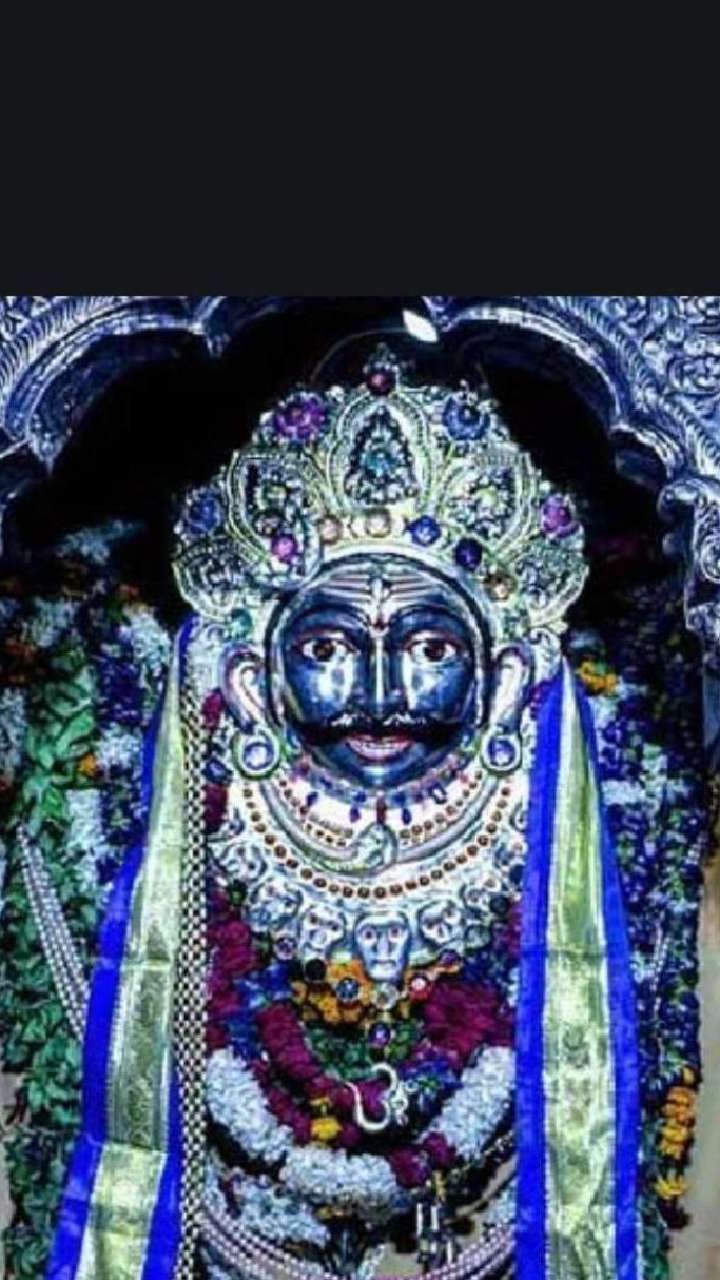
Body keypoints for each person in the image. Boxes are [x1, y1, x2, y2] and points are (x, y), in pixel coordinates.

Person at [46, 341, 638, 1280]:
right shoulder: (189, 831)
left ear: (503, 680)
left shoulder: (558, 837)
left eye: (432, 650)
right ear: (251, 680)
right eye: (326, 649)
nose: (381, 695)